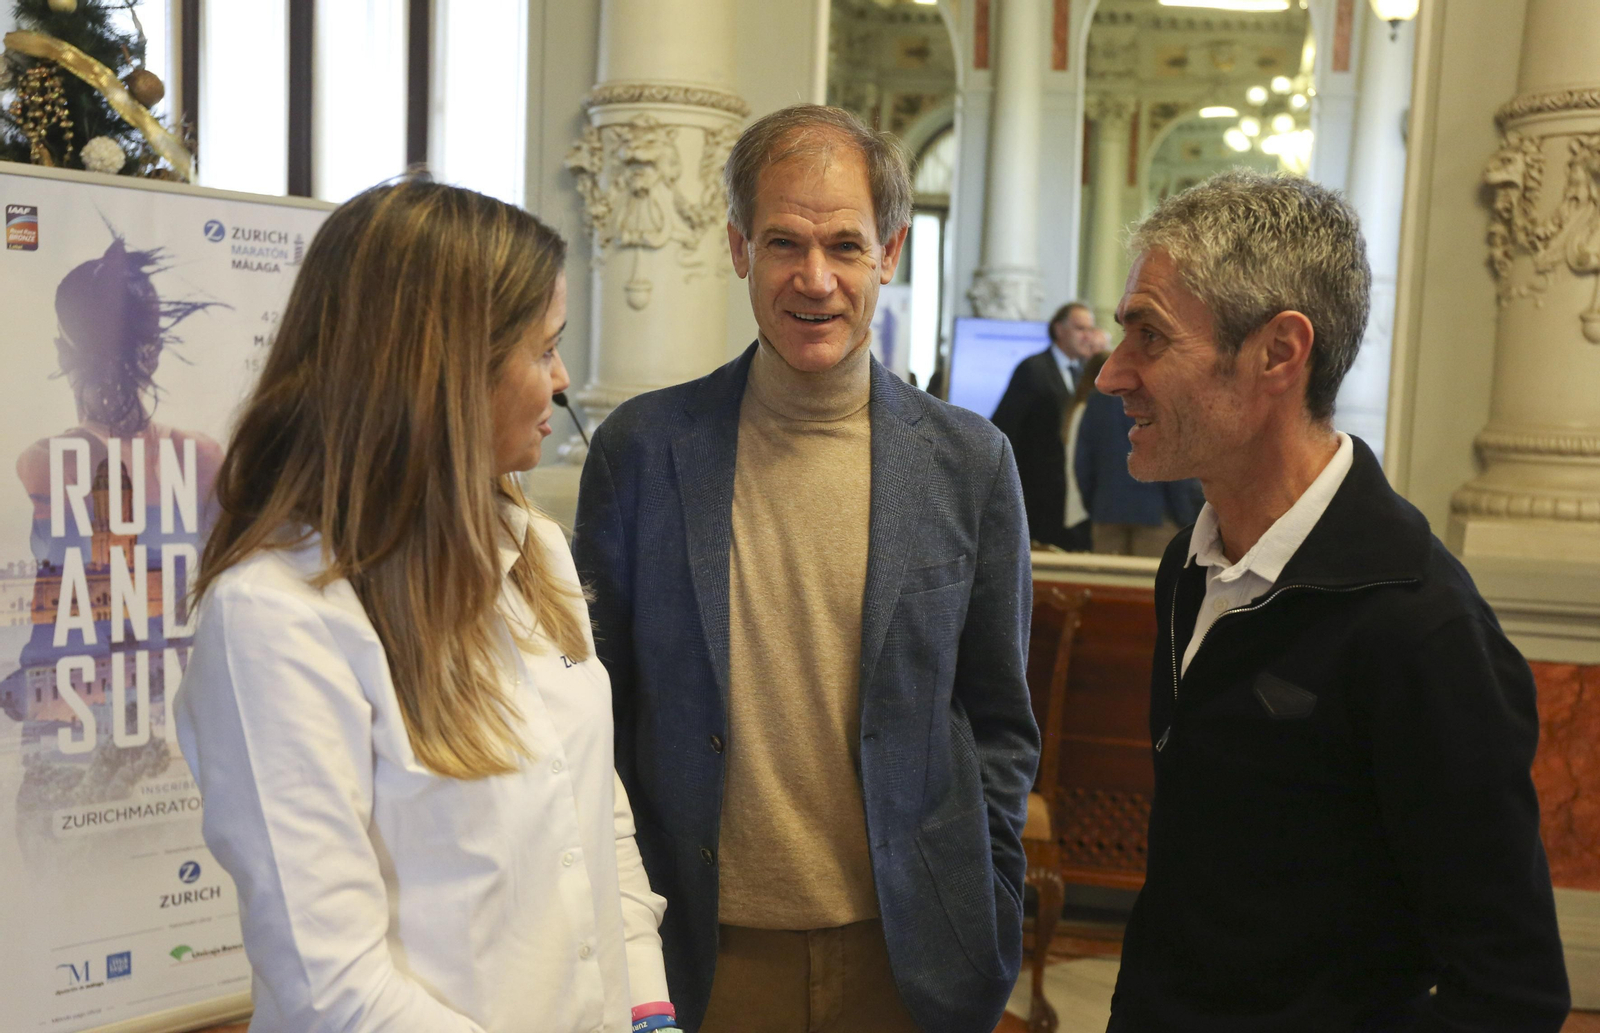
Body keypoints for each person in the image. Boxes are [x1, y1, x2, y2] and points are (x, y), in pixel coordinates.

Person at [573, 105, 1037, 1033]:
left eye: (845, 246)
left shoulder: (970, 462)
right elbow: (601, 714)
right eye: (784, 242)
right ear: (740, 248)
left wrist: (983, 897)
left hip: (908, 957)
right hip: (705, 952)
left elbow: (998, 722)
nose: (814, 279)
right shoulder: (643, 450)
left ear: (891, 253)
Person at [175, 179, 677, 1033]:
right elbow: (331, 987)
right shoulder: (276, 618)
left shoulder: (533, 548)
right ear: (444, 372)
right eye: (543, 350)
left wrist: (647, 1007)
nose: (562, 383)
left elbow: (594, 807)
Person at [1098, 169, 1570, 1031]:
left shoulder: (1419, 625)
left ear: (1279, 352)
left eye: (1150, 337)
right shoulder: (1191, 565)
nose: (1111, 373)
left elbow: (1512, 990)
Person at [990, 301, 1099, 549]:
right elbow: (1007, 428)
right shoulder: (1033, 369)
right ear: (1059, 330)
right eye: (1080, 328)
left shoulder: (1086, 373)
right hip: (1038, 494)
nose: (1087, 336)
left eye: (1090, 329)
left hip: (1072, 498)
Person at [1073, 384, 1204, 558]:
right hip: (1158, 515)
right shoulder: (1164, 395)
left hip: (1107, 513)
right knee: (1150, 582)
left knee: (1109, 582)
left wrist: (1096, 504)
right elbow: (1176, 462)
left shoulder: (1099, 399)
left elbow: (1083, 463)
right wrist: (1185, 516)